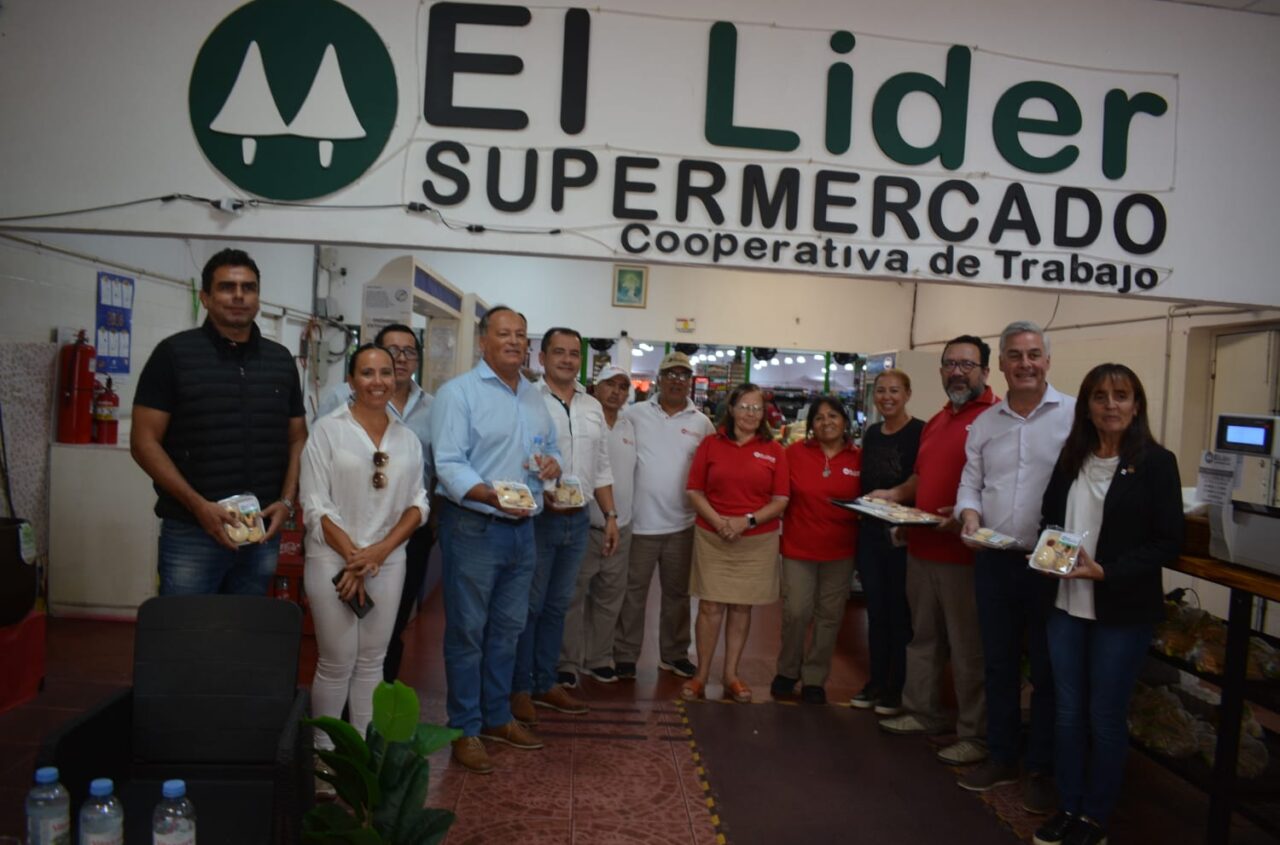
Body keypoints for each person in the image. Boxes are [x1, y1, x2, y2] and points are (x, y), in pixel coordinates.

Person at [1031, 364, 1182, 845]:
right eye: (1100, 396)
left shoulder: (1157, 463)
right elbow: (1050, 516)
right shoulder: (1071, 457)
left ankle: (1094, 817)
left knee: (1105, 717)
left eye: (1121, 395)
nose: (1111, 405)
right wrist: (1048, 553)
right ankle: (1068, 806)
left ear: (1136, 406)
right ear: (1087, 407)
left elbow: (1168, 542)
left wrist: (1107, 572)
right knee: (1068, 713)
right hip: (1065, 605)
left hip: (1122, 611)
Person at [430, 305, 561, 775]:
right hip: (474, 527)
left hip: (523, 530)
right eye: (504, 334)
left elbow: (549, 449)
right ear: (483, 340)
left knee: (508, 630)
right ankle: (465, 727)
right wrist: (489, 495)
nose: (514, 341)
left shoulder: (534, 397)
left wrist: (552, 465)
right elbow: (448, 463)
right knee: (468, 632)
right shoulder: (458, 394)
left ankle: (497, 716)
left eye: (521, 335)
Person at [131, 248, 306, 596]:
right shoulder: (174, 355)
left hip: (259, 531)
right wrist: (198, 505)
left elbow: (298, 437)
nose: (239, 296)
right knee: (187, 625)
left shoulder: (280, 360)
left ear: (258, 298)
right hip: (192, 531)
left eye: (248, 288)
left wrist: (286, 503)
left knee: (244, 625)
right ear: (206, 298)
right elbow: (143, 442)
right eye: (227, 287)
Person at [955, 321, 1075, 810]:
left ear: (1047, 360)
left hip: (1052, 564)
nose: (1026, 364)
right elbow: (972, 481)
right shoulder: (986, 424)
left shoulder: (1074, 416)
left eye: (1034, 354)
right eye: (1015, 356)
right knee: (999, 663)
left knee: (1048, 670)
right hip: (996, 560)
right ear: (1000, 365)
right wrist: (968, 515)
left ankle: (1041, 768)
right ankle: (1002, 756)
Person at [874, 336, 997, 768]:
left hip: (965, 555)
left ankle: (974, 734)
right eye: (950, 364)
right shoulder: (938, 420)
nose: (957, 372)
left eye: (967, 364)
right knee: (922, 639)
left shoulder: (996, 419)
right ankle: (922, 712)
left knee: (968, 650)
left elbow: (1001, 487)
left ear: (986, 370)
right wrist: (895, 496)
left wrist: (966, 518)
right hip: (923, 547)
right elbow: (921, 477)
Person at [299, 344, 428, 752]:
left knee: (373, 661)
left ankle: (359, 754)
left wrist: (378, 552)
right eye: (368, 373)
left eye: (386, 372)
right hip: (331, 559)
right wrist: (355, 558)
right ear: (351, 380)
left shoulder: (407, 439)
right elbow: (314, 505)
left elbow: (419, 504)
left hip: (387, 562)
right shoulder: (328, 431)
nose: (378, 381)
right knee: (336, 661)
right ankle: (323, 753)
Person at [509, 328, 619, 724]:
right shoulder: (526, 400)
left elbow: (601, 466)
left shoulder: (591, 406)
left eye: (574, 353)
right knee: (530, 606)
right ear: (542, 358)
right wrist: (544, 492)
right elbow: (516, 458)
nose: (568, 360)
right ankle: (520, 687)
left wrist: (610, 516)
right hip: (539, 518)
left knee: (559, 606)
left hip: (579, 518)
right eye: (559, 352)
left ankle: (546, 681)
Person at [318, 323, 435, 682]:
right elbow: (317, 472)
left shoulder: (433, 407)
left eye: (409, 351)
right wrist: (355, 553)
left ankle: (377, 703)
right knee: (339, 643)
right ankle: (337, 712)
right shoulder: (338, 401)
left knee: (389, 627)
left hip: (405, 534)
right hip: (343, 535)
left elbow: (433, 473)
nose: (400, 359)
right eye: (392, 351)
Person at [682, 383, 790, 703]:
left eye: (757, 408)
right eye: (744, 407)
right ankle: (701, 675)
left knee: (742, 607)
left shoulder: (774, 450)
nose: (750, 414)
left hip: (756, 540)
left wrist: (747, 521)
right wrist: (720, 523)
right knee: (710, 606)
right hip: (712, 536)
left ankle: (731, 675)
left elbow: (781, 499)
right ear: (730, 409)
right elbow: (694, 490)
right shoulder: (710, 444)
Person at [615, 352, 715, 680]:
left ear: (691, 382)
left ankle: (673, 654)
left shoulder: (702, 423)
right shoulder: (634, 414)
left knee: (677, 596)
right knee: (633, 593)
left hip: (682, 526)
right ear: (659, 379)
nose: (676, 380)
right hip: (639, 524)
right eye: (670, 374)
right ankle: (624, 654)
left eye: (683, 375)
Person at [770, 396, 860, 705]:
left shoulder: (858, 458)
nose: (826, 422)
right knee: (796, 612)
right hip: (798, 547)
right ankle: (787, 670)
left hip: (841, 550)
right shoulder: (794, 453)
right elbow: (778, 494)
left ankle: (814, 678)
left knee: (829, 617)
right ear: (811, 425)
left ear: (845, 422)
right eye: (819, 418)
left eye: (833, 416)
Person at [850, 369, 924, 716]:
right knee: (876, 611)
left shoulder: (920, 432)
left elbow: (920, 477)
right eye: (881, 391)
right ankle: (876, 681)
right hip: (870, 533)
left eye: (894, 391)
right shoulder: (872, 433)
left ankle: (898, 687)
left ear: (907, 394)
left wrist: (894, 497)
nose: (887, 397)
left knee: (900, 612)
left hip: (902, 534)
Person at [559, 366, 638, 684]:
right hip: (585, 524)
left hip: (621, 527)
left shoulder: (630, 425)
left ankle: (599, 657)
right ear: (596, 387)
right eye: (610, 384)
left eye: (623, 386)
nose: (616, 391)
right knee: (573, 597)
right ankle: (567, 661)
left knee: (610, 597)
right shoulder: (584, 419)